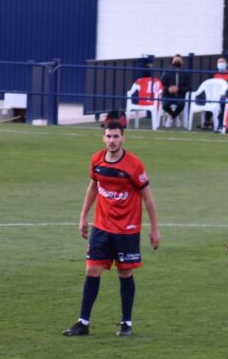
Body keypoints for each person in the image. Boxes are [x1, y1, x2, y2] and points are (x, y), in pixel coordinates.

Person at [63, 112, 160, 337]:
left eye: (116, 136)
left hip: (126, 230)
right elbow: (93, 187)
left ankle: (126, 323)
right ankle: (83, 323)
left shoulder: (134, 165)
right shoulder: (97, 160)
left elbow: (148, 197)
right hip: (101, 227)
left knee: (125, 274)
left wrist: (154, 229)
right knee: (92, 270)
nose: (112, 140)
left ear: (123, 138)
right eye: (108, 136)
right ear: (103, 138)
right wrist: (82, 216)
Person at [159, 54, 192, 129]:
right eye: (175, 60)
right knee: (165, 105)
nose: (177, 61)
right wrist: (168, 89)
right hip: (168, 95)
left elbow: (189, 87)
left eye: (179, 60)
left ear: (182, 62)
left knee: (181, 104)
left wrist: (179, 89)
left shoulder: (186, 73)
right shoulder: (166, 72)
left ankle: (172, 116)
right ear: (172, 62)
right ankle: (174, 116)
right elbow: (161, 85)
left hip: (180, 96)